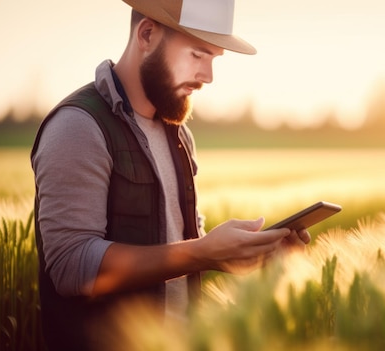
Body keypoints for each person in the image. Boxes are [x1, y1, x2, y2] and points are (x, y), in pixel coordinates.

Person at [30, 1, 310, 350]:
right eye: (197, 54)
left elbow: (179, 244)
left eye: (213, 59)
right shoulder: (79, 127)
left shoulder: (179, 135)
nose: (208, 77)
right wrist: (202, 253)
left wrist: (245, 255)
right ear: (147, 34)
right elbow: (72, 266)